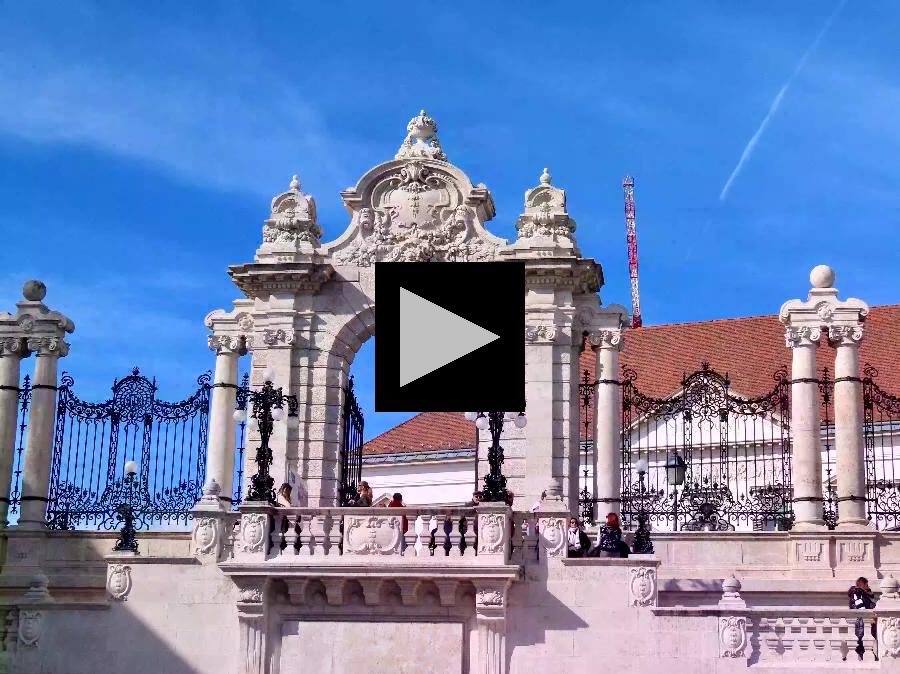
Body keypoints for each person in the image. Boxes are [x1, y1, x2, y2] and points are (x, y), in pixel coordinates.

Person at [848, 576, 878, 661]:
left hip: (864, 620)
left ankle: (865, 656)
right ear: (863, 584)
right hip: (861, 621)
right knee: (861, 639)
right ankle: (861, 657)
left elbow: (870, 600)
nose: (868, 587)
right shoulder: (856, 592)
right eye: (867, 585)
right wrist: (868, 618)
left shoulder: (860, 593)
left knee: (866, 638)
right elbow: (860, 606)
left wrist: (868, 592)